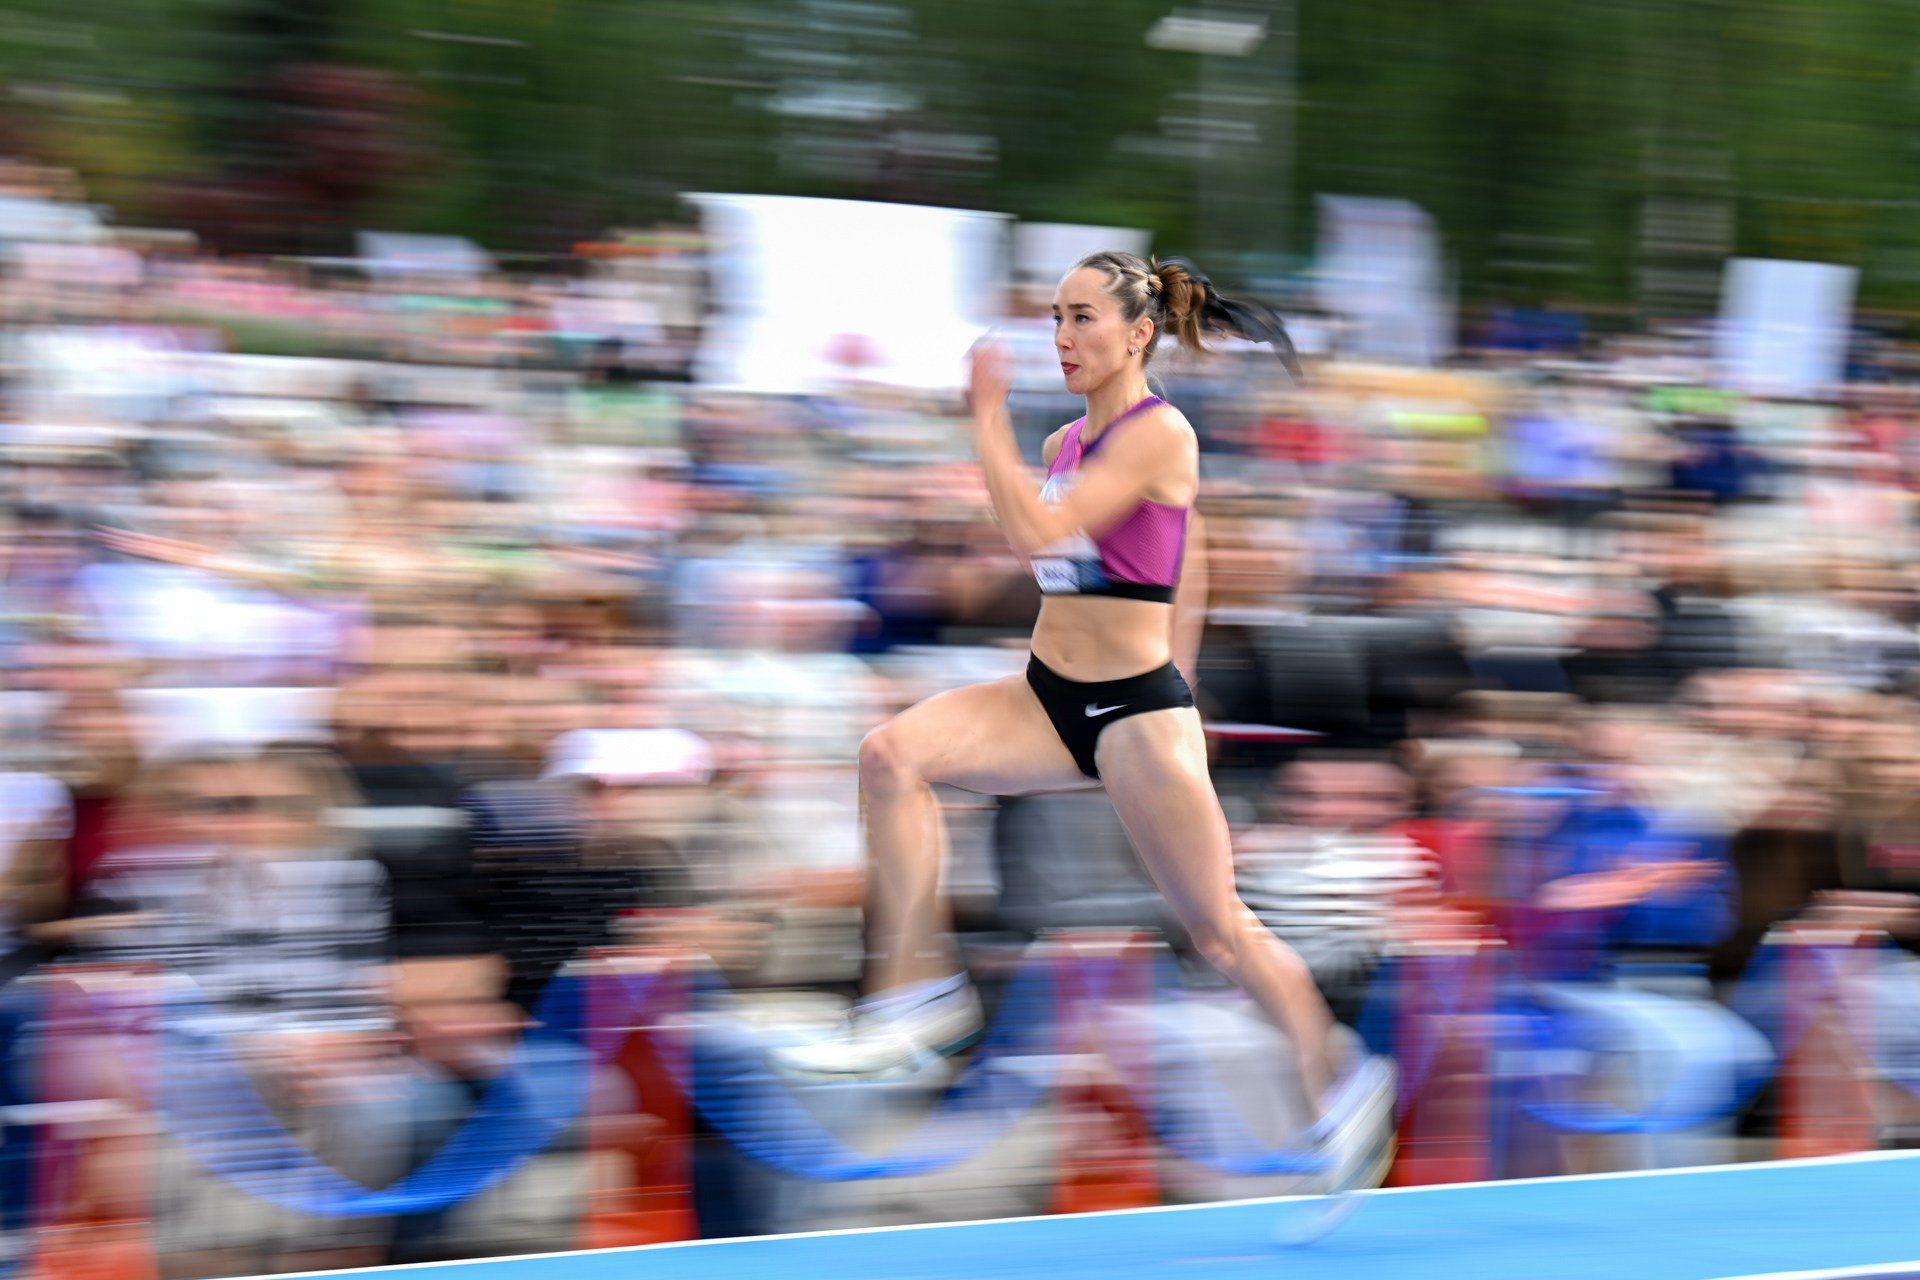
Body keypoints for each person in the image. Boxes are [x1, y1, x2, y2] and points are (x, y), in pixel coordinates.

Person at [776, 253, 1338, 1101]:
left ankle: (1334, 1079)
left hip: (1134, 716)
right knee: (889, 756)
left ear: (1138, 334)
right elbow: (1174, 552)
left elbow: (1040, 537)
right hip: (1047, 697)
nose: (1063, 337)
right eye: (1056, 317)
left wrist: (984, 419)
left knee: (1219, 933)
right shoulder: (1062, 445)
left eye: (1082, 318)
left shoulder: (1161, 432)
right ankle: (914, 997)